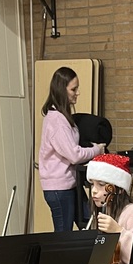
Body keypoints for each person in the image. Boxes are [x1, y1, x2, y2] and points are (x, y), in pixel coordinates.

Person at [39, 67, 105, 232]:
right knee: (63, 235)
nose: (77, 93)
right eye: (73, 89)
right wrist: (97, 150)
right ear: (62, 90)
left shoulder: (62, 117)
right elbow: (74, 155)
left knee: (90, 222)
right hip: (59, 189)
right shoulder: (57, 120)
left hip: (69, 185)